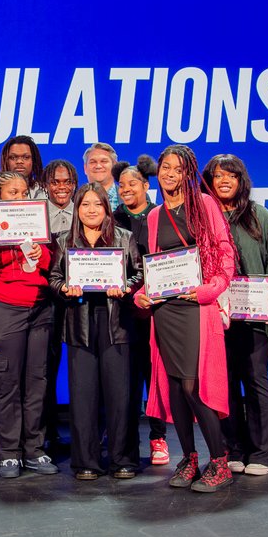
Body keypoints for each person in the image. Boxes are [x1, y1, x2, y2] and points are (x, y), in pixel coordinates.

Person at [133, 144, 237, 493]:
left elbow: (225, 255)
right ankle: (189, 458)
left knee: (195, 387)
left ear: (187, 174)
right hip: (165, 310)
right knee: (175, 388)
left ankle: (219, 462)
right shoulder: (153, 216)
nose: (170, 173)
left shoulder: (204, 205)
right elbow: (154, 265)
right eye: (165, 167)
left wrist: (211, 290)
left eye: (178, 168)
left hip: (196, 307)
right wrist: (141, 294)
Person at [203, 154, 268, 476]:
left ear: (242, 181)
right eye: (218, 175)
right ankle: (234, 449)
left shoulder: (260, 216)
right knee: (224, 386)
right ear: (209, 181)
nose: (225, 181)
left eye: (232, 175)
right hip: (216, 317)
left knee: (256, 381)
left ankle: (263, 455)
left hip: (256, 317)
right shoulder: (204, 219)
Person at [0, 169, 55, 478]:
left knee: (37, 382)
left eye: (22, 192)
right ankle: (7, 452)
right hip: (4, 308)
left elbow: (52, 265)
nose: (17, 197)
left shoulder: (38, 222)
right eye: (10, 193)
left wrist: (39, 254)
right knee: (6, 383)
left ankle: (34, 448)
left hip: (40, 309)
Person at [49, 184, 143, 480]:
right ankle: (86, 461)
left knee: (120, 396)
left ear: (106, 208)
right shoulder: (64, 240)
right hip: (79, 324)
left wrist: (126, 287)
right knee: (83, 395)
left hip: (117, 324)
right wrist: (65, 288)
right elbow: (53, 277)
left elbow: (139, 274)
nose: (91, 210)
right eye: (85, 204)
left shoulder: (124, 237)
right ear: (77, 209)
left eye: (98, 204)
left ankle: (123, 459)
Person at [112, 155, 170, 466]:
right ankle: (124, 437)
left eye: (133, 183)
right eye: (121, 185)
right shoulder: (113, 218)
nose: (126, 189)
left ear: (146, 185)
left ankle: (158, 436)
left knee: (154, 376)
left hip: (154, 308)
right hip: (121, 307)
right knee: (126, 377)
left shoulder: (159, 215)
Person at [42, 158, 79, 450]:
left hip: (82, 300)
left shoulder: (87, 211)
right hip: (46, 300)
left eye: (67, 182)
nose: (61, 187)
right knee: (46, 367)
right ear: (46, 185)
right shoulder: (36, 216)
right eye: (55, 182)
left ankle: (87, 431)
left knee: (85, 366)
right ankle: (47, 431)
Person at [0, 135, 47, 200]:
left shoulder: (45, 193)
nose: (19, 161)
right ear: (6, 161)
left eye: (26, 157)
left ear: (34, 160)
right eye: (13, 157)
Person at [83, 142, 120, 210]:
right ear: (85, 168)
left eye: (104, 161)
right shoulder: (75, 199)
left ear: (115, 166)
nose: (98, 166)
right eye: (93, 162)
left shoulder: (129, 198)